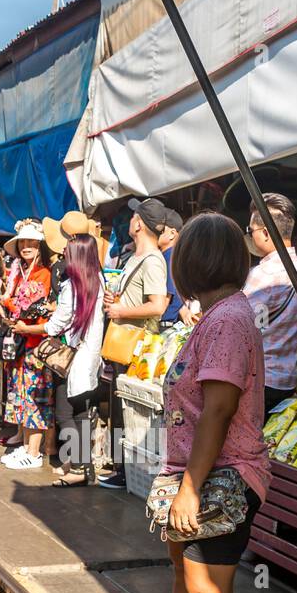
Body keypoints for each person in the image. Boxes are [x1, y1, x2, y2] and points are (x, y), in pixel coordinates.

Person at [157, 212, 272, 593]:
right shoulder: (219, 316)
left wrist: (191, 488)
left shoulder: (227, 320)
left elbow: (220, 409)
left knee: (209, 587)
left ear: (193, 264)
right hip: (198, 474)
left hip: (220, 479)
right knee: (187, 575)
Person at [99, 197, 170, 489]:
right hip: (125, 342)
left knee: (129, 411)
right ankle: (122, 469)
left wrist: (121, 311)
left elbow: (157, 306)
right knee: (120, 408)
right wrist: (114, 302)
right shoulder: (137, 257)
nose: (130, 221)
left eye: (133, 216)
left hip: (136, 347)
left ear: (139, 223)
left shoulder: (152, 260)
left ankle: (128, 473)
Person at [40, 234, 105, 487]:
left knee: (65, 413)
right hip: (90, 358)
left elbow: (56, 324)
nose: (64, 254)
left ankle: (77, 468)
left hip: (74, 360)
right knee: (81, 413)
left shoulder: (71, 286)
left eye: (67, 251)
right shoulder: (98, 281)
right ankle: (82, 467)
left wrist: (29, 327)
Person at [243, 194, 297, 414]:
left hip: (258, 378)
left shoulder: (262, 274)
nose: (249, 236)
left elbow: (243, 325)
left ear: (265, 233)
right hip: (286, 378)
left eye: (250, 230)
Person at [0, 220, 53, 470]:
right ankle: (27, 446)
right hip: (21, 343)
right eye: (23, 242)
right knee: (22, 394)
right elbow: (12, 301)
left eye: (31, 242)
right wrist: (1, 304)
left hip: (35, 342)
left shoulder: (44, 273)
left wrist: (9, 306)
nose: (26, 246)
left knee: (33, 396)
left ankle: (34, 452)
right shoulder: (21, 271)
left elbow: (32, 306)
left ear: (40, 245)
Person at [158, 208, 194, 330]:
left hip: (164, 326)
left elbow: (163, 304)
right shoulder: (172, 255)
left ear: (172, 234)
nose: (154, 230)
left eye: (160, 229)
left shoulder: (170, 257)